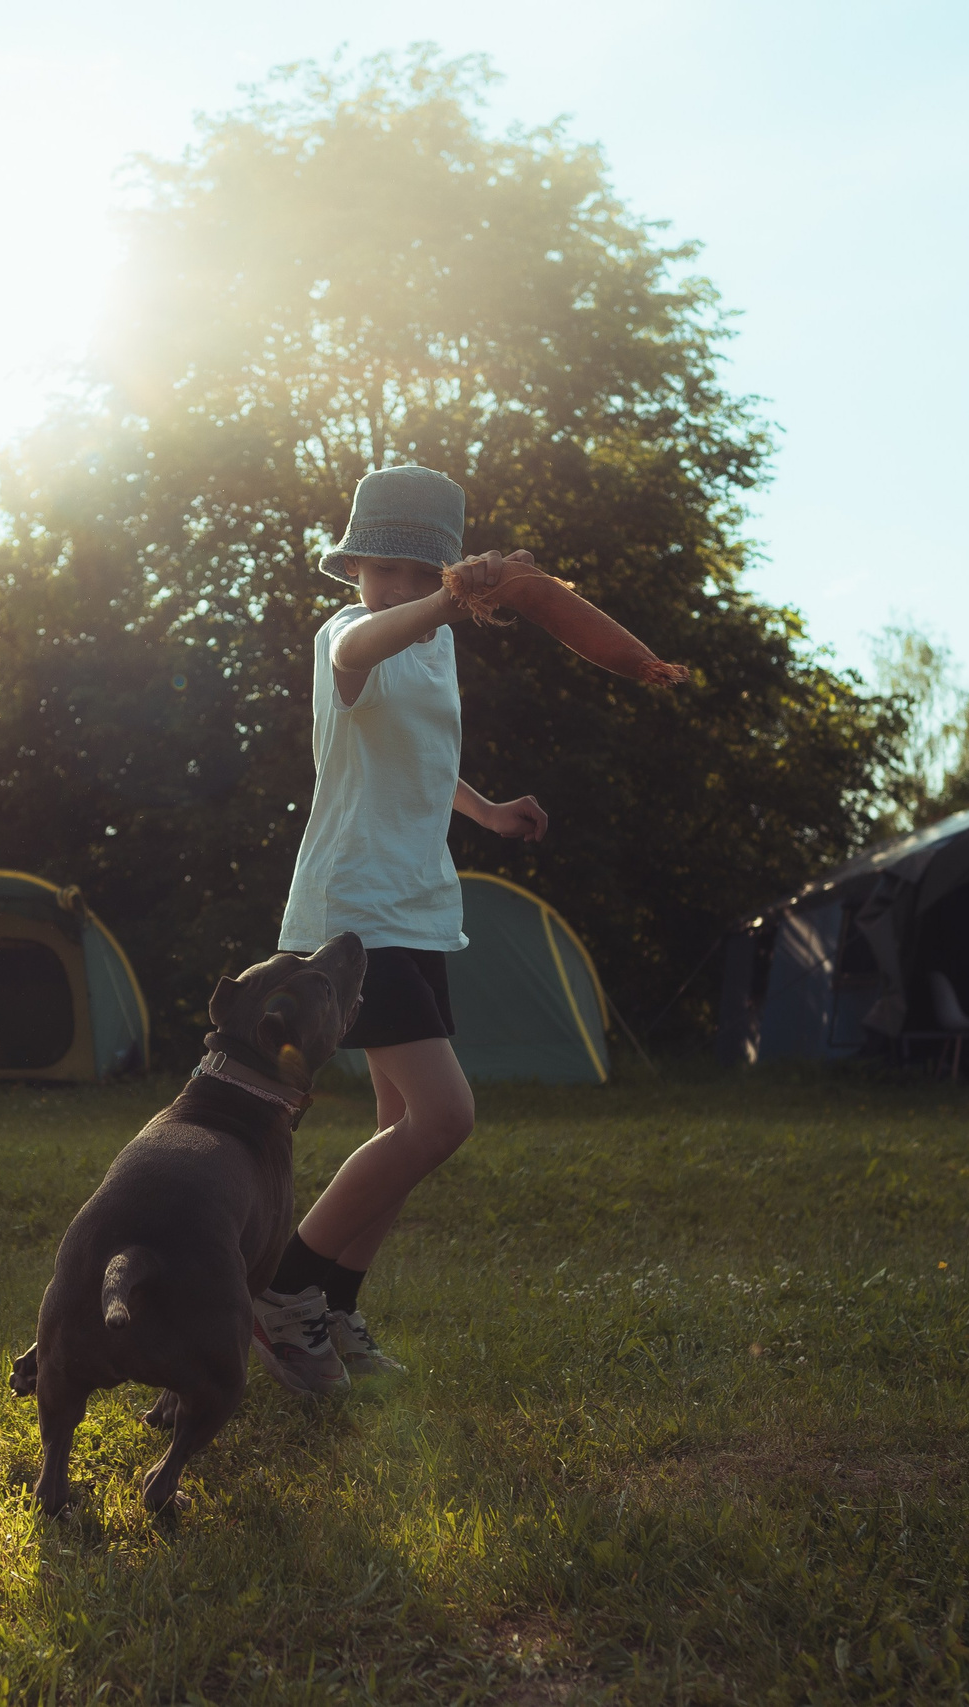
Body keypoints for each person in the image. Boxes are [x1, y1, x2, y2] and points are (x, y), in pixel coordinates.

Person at [253, 465, 683, 1394]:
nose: (398, 586)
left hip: (418, 905)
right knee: (446, 1117)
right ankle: (281, 1297)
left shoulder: (438, 646)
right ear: (357, 564)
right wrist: (446, 601)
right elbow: (362, 656)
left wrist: (482, 810)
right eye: (384, 568)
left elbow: (413, 756)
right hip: (353, 913)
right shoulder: (347, 632)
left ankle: (336, 1311)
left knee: (401, 1123)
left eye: (421, 572)